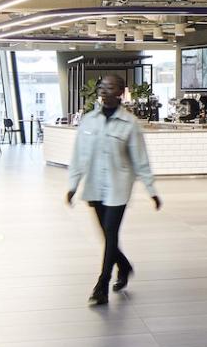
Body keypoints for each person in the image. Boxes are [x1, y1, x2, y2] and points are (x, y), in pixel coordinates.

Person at [65, 75, 161, 306]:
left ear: (120, 92)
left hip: (118, 187)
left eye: (111, 87)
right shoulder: (88, 121)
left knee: (111, 233)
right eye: (103, 87)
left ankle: (102, 285)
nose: (105, 91)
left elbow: (141, 159)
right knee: (106, 235)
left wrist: (151, 189)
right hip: (95, 187)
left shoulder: (130, 123)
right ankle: (124, 266)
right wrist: (72, 185)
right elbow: (79, 156)